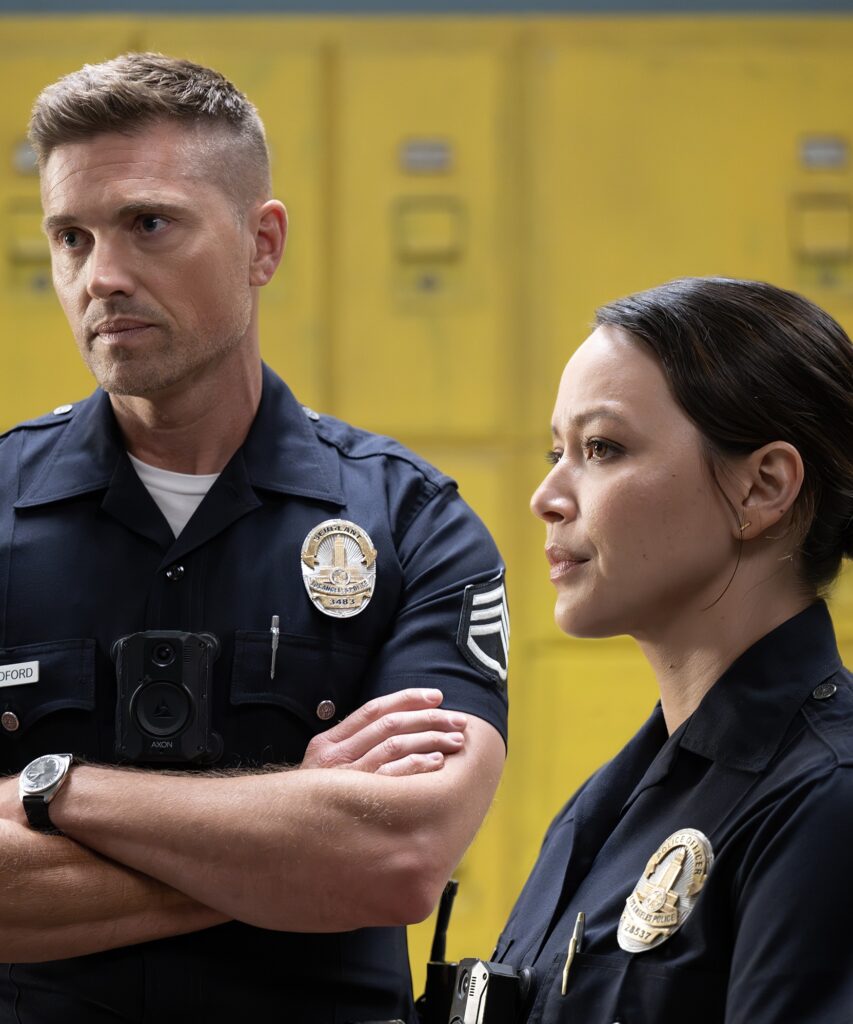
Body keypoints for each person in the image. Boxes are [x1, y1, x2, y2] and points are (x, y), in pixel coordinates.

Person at [0, 54, 509, 1023]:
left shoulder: (413, 526)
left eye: (149, 225)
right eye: (71, 237)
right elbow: (354, 865)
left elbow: (400, 857)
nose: (100, 277)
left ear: (260, 244)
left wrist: (52, 792)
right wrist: (291, 850)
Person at [488, 278, 853, 1022]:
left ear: (763, 487)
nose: (546, 496)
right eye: (557, 450)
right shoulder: (608, 804)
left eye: (601, 448)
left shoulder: (827, 800)